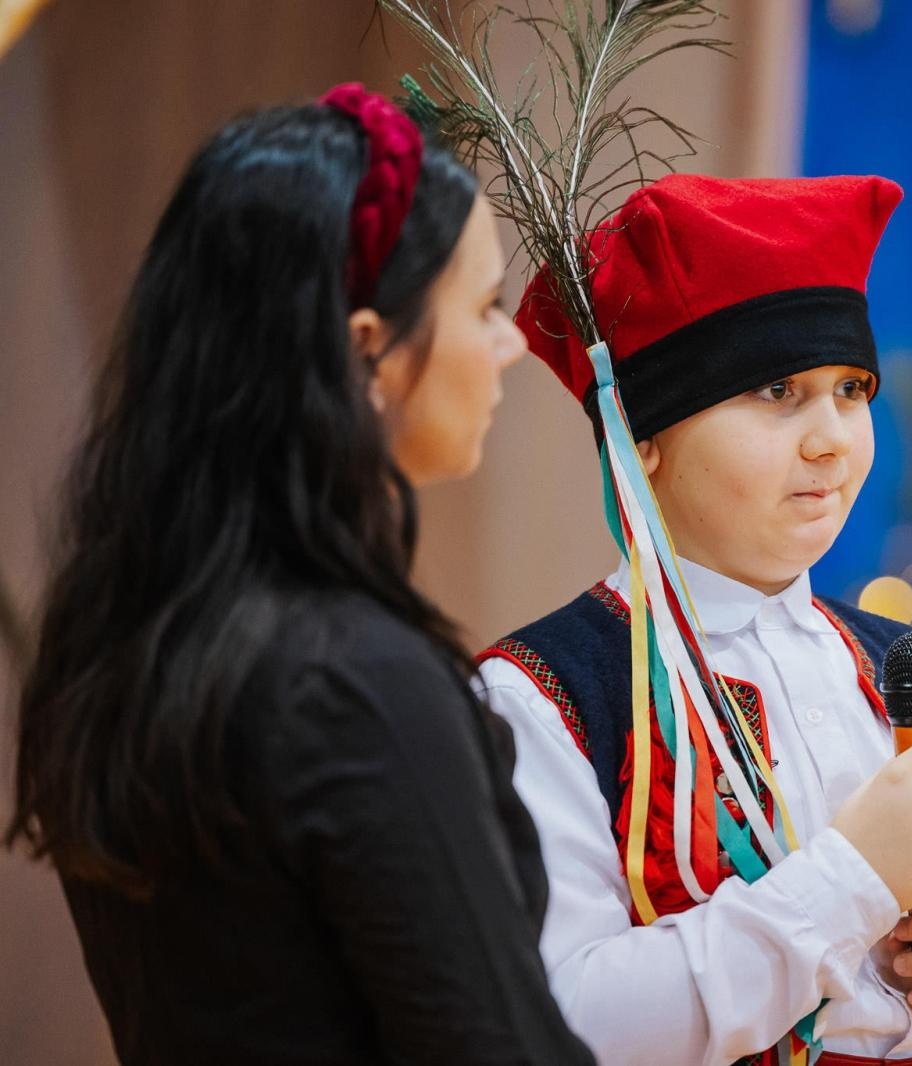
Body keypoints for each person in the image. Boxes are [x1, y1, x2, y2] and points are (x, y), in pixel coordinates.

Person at [6, 83, 594, 1066]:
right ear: (366, 351)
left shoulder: (119, 633)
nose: (513, 345)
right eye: (484, 306)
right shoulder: (354, 682)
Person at [479, 173, 912, 1065]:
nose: (832, 438)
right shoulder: (545, 698)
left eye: (852, 389)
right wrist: (854, 876)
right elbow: (561, 1021)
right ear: (642, 439)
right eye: (778, 391)